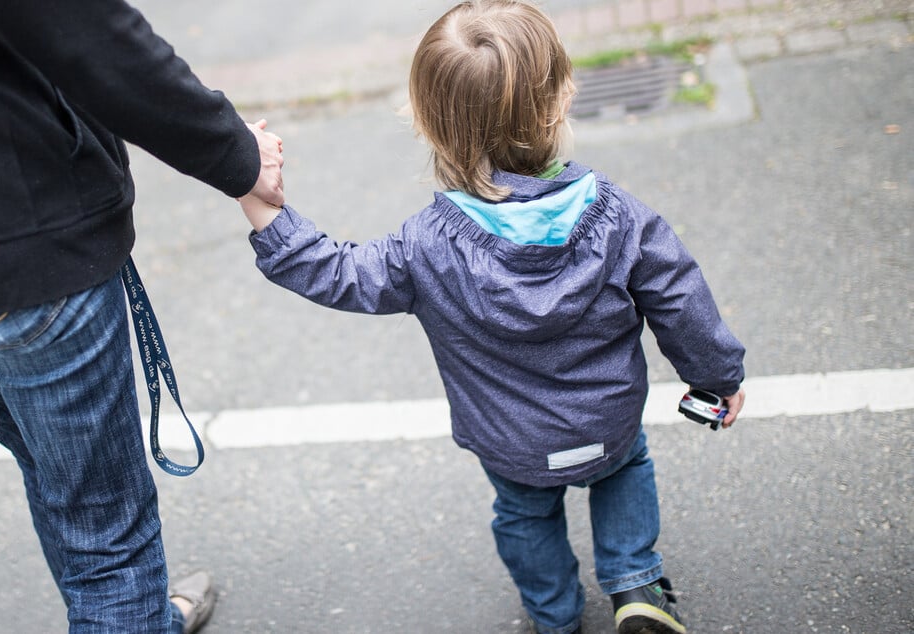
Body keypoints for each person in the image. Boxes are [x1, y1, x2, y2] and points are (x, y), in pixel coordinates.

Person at [239, 1, 745, 632]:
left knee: (525, 516)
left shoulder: (425, 245)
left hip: (510, 442)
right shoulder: (621, 218)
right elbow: (681, 300)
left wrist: (260, 203)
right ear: (561, 101)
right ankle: (636, 583)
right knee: (626, 471)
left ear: (428, 123)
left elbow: (338, 273)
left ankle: (555, 615)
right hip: (608, 421)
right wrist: (719, 378)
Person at [0, 0, 283, 631]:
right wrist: (240, 155)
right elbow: (90, 37)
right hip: (20, 242)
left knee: (54, 474)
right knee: (108, 544)